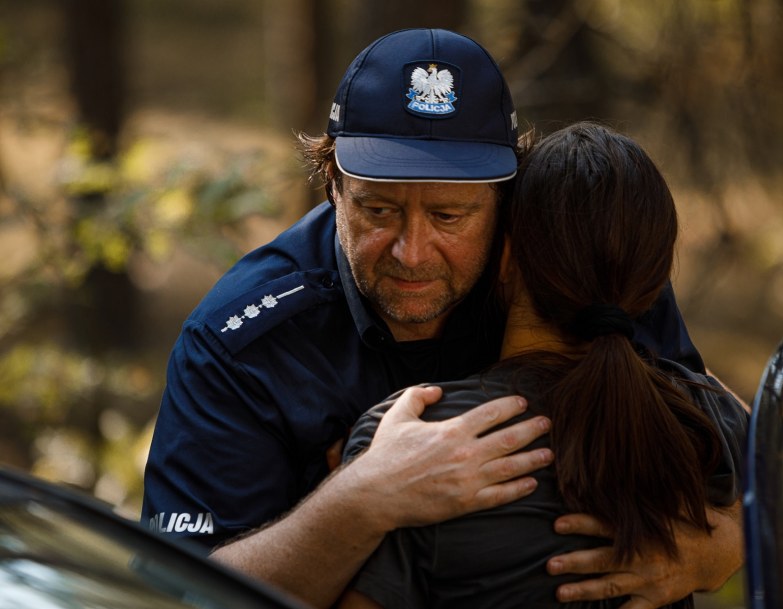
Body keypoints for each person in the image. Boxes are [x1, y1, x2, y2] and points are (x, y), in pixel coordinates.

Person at [142, 29, 743, 609]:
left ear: (509, 206)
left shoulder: (564, 270)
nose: (412, 251)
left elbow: (750, 445)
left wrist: (726, 543)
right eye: (378, 209)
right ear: (332, 185)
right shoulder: (240, 344)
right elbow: (176, 594)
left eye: (451, 216)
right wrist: (361, 501)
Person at [336, 122, 750, 609]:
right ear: (652, 281)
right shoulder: (700, 414)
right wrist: (726, 544)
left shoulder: (410, 439)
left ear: (506, 257)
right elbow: (780, 467)